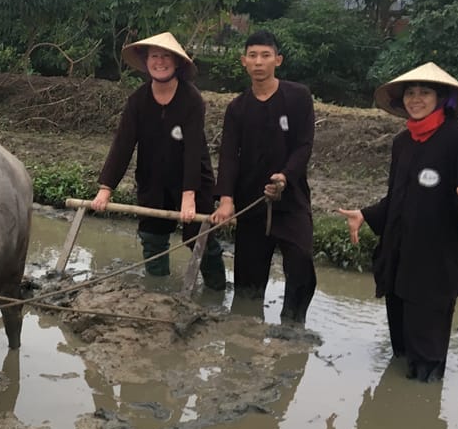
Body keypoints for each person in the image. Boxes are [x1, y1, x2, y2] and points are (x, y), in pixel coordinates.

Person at [337, 62, 458, 382]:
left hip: (434, 259)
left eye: (424, 92)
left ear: (442, 98)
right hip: (399, 254)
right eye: (410, 93)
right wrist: (366, 214)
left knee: (426, 354)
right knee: (400, 346)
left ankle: (425, 393)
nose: (415, 99)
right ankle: (399, 410)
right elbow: (396, 198)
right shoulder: (403, 142)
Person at [92, 31, 225, 289]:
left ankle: (216, 290)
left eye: (166, 56)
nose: (160, 62)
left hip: (194, 178)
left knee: (198, 238)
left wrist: (189, 196)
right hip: (153, 178)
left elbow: (193, 149)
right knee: (153, 238)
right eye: (154, 56)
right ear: (146, 61)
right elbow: (122, 145)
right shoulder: (137, 101)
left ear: (176, 63)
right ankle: (157, 293)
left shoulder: (191, 99)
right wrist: (105, 189)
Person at [210, 30, 317, 324]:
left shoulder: (298, 97)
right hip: (251, 202)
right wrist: (227, 200)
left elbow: (304, 145)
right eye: (253, 56)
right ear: (244, 61)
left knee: (301, 264)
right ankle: (243, 336)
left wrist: (285, 176)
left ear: (277, 60)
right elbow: (229, 155)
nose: (259, 62)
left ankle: (293, 327)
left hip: (291, 199)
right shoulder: (237, 108)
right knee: (248, 280)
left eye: (265, 55)